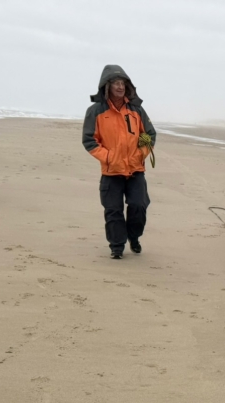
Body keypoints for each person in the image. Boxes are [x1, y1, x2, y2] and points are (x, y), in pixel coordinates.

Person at [82, 65, 156, 259]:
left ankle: (134, 237)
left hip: (135, 170)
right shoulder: (95, 111)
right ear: (107, 86)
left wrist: (140, 154)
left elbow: (149, 135)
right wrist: (108, 158)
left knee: (138, 206)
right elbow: (89, 141)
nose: (120, 87)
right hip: (111, 172)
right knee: (113, 210)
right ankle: (116, 246)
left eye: (123, 83)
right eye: (116, 83)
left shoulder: (136, 109)